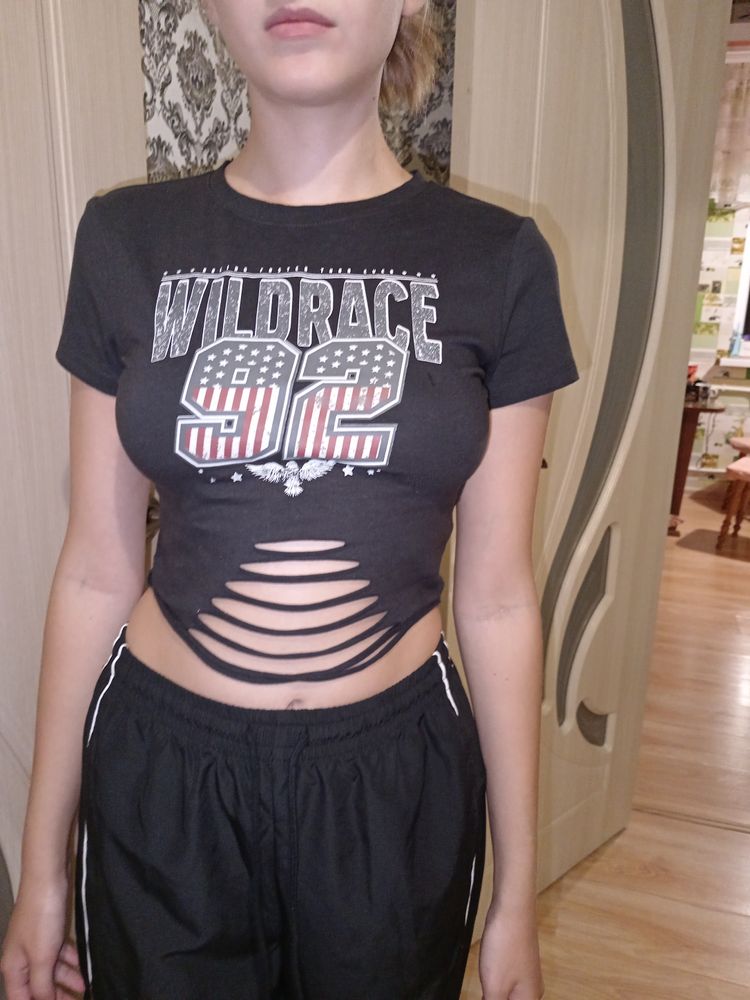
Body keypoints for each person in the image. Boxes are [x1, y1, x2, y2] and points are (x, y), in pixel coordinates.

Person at [0, 1, 580, 998]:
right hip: (163, 779)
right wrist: (42, 866)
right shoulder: (125, 238)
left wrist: (517, 895)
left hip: (392, 787)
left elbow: (497, 599)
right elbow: (95, 566)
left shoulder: (502, 260)